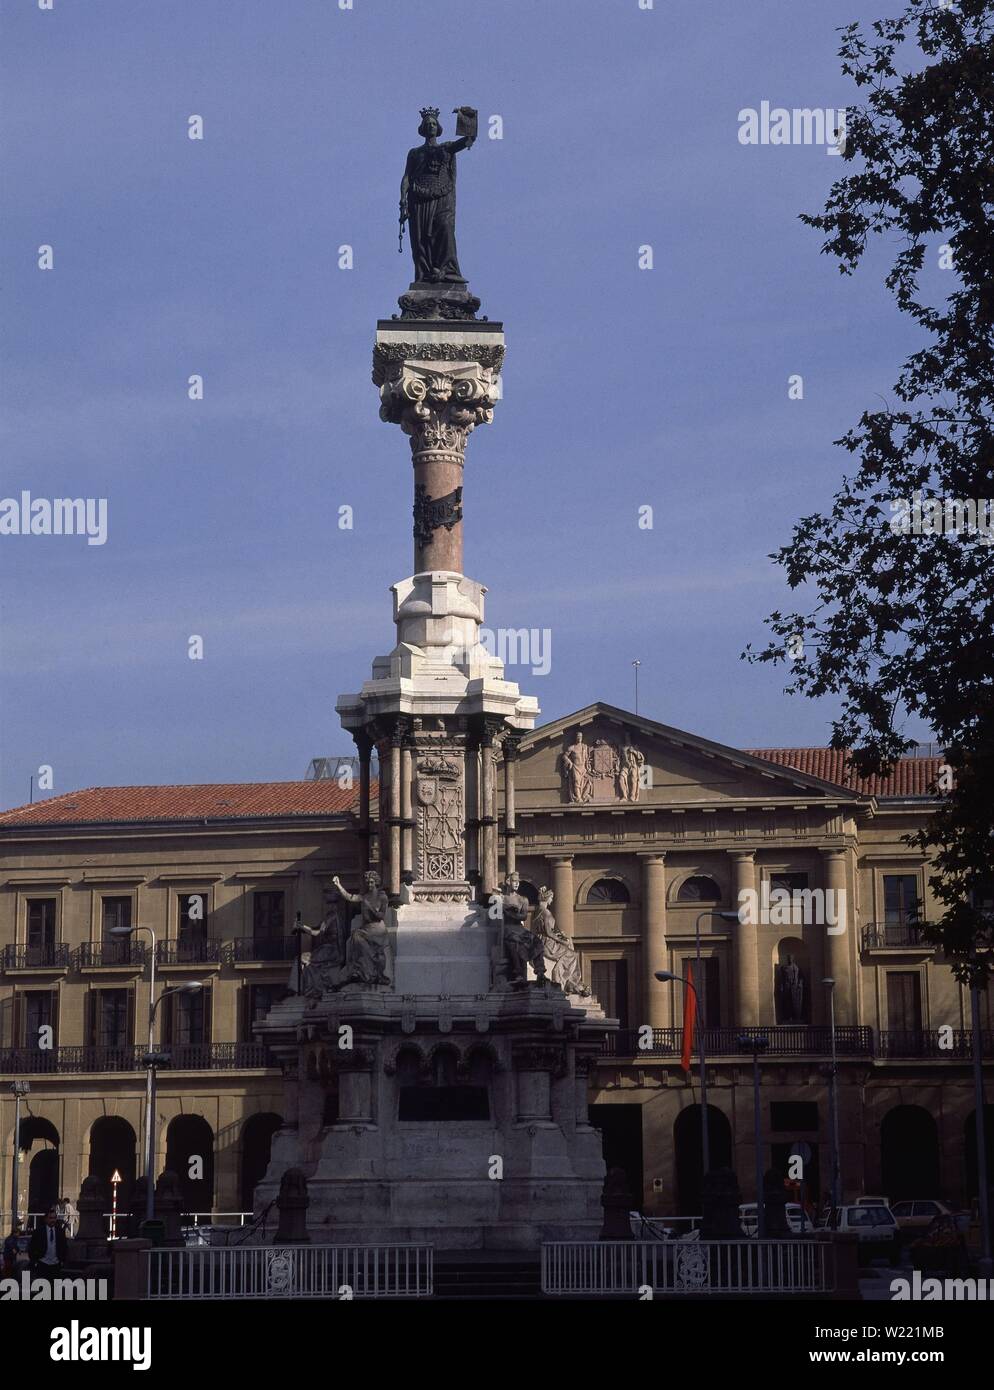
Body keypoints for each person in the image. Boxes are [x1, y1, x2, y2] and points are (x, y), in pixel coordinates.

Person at [29, 1207, 68, 1286]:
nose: (52, 1220)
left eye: (54, 1218)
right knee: (43, 1288)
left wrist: (63, 1260)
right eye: (50, 1218)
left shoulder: (60, 1231)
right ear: (45, 1219)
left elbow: (64, 1246)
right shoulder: (39, 1231)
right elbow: (32, 1247)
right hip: (42, 1263)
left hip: (56, 1264)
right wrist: (35, 1261)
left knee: (56, 1289)